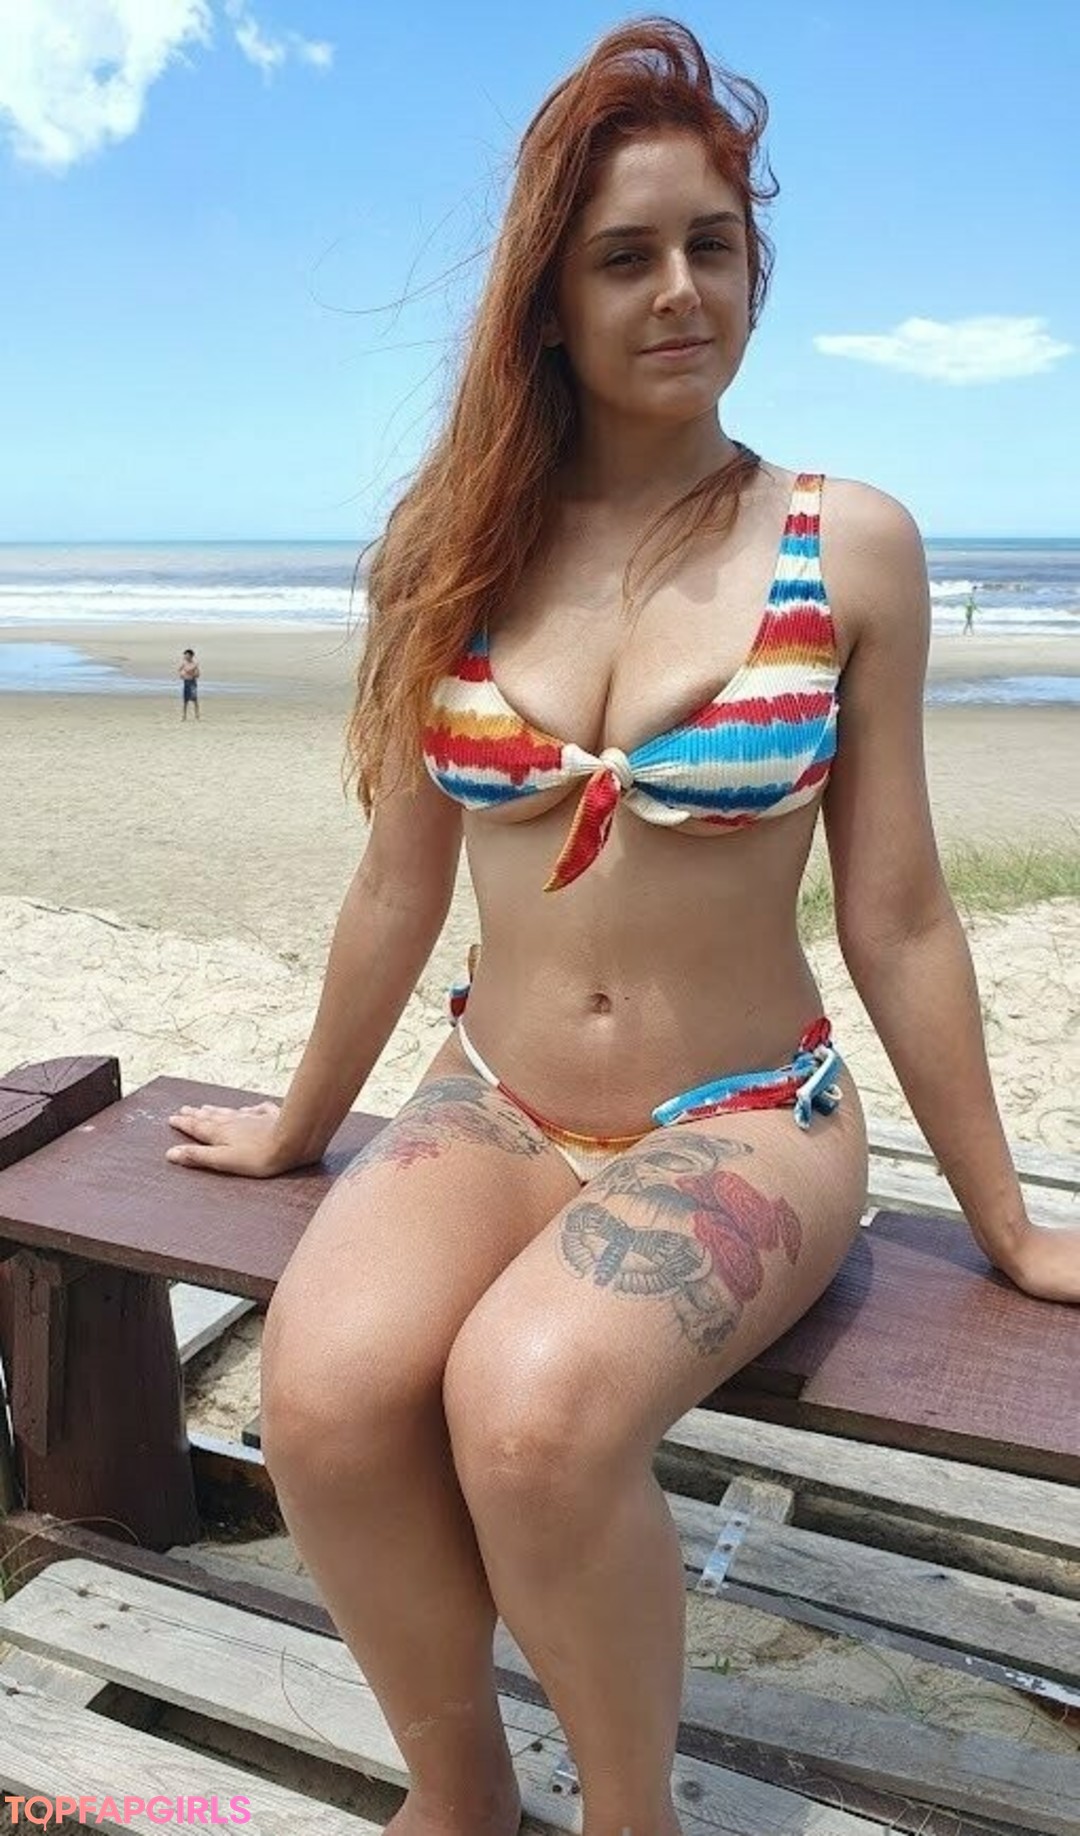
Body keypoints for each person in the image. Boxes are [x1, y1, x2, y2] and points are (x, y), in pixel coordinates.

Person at [164, 22, 1080, 1835]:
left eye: (711, 245)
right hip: (492, 1099)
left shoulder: (847, 544)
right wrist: (295, 1124)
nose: (680, 290)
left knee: (530, 1417)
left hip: (744, 1114)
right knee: (323, 1398)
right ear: (550, 302)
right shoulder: (454, 550)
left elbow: (898, 913)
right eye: (624, 256)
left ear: (755, 265)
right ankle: (459, 1794)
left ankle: (628, 1813)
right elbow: (397, 884)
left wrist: (1010, 1224)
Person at [178, 647, 200, 720]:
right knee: (185, 700)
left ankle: (197, 715)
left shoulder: (195, 664)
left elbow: (198, 674)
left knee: (195, 699)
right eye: (185, 655)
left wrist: (192, 673)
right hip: (186, 682)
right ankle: (184, 716)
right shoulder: (183, 663)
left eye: (187, 655)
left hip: (192, 683)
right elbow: (179, 670)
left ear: (191, 656)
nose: (185, 656)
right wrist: (182, 675)